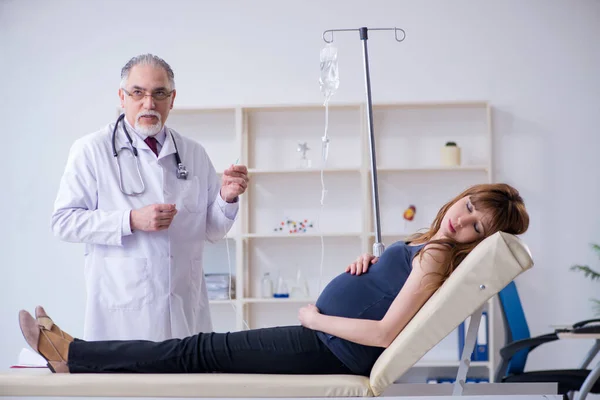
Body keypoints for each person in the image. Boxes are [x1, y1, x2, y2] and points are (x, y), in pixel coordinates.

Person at [25, 183, 529, 376]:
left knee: (197, 351)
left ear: (480, 240)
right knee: (195, 350)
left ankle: (73, 354)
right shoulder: (430, 245)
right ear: (461, 198)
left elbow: (384, 334)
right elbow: (391, 295)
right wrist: (368, 264)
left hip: (328, 348)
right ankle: (78, 358)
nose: (461, 220)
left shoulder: (439, 259)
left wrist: (318, 317)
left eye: (476, 225)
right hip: (327, 343)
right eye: (467, 206)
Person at [50, 54, 249, 342]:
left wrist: (226, 198)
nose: (149, 103)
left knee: (189, 385)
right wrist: (130, 220)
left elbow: (212, 230)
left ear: (172, 98)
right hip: (124, 316)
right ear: (122, 96)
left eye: (159, 93)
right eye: (138, 93)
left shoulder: (193, 153)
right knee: (132, 385)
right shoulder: (91, 150)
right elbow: (63, 222)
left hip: (185, 309)